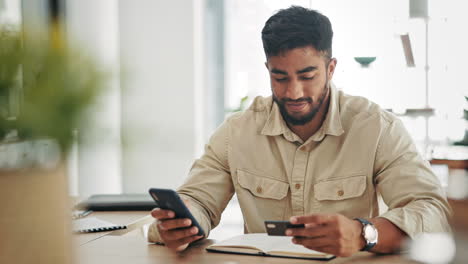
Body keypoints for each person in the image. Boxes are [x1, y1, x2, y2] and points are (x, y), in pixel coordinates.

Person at [148, 6, 451, 257]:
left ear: (331, 68)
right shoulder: (236, 133)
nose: (293, 92)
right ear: (268, 69)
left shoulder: (377, 129)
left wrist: (363, 233)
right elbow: (198, 201)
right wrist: (183, 224)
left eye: (307, 76)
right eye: (280, 77)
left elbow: (433, 210)